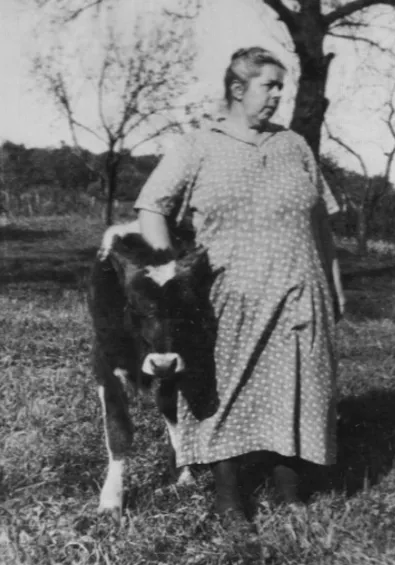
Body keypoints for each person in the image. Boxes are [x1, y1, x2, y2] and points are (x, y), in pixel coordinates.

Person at [100, 47, 345, 524]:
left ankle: (287, 481)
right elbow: (153, 205)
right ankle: (228, 488)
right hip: (228, 294)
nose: (278, 94)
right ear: (237, 89)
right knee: (226, 387)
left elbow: (321, 223)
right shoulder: (199, 145)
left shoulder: (294, 145)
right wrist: (170, 272)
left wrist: (335, 284)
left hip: (300, 288)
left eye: (282, 86)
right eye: (269, 85)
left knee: (297, 383)